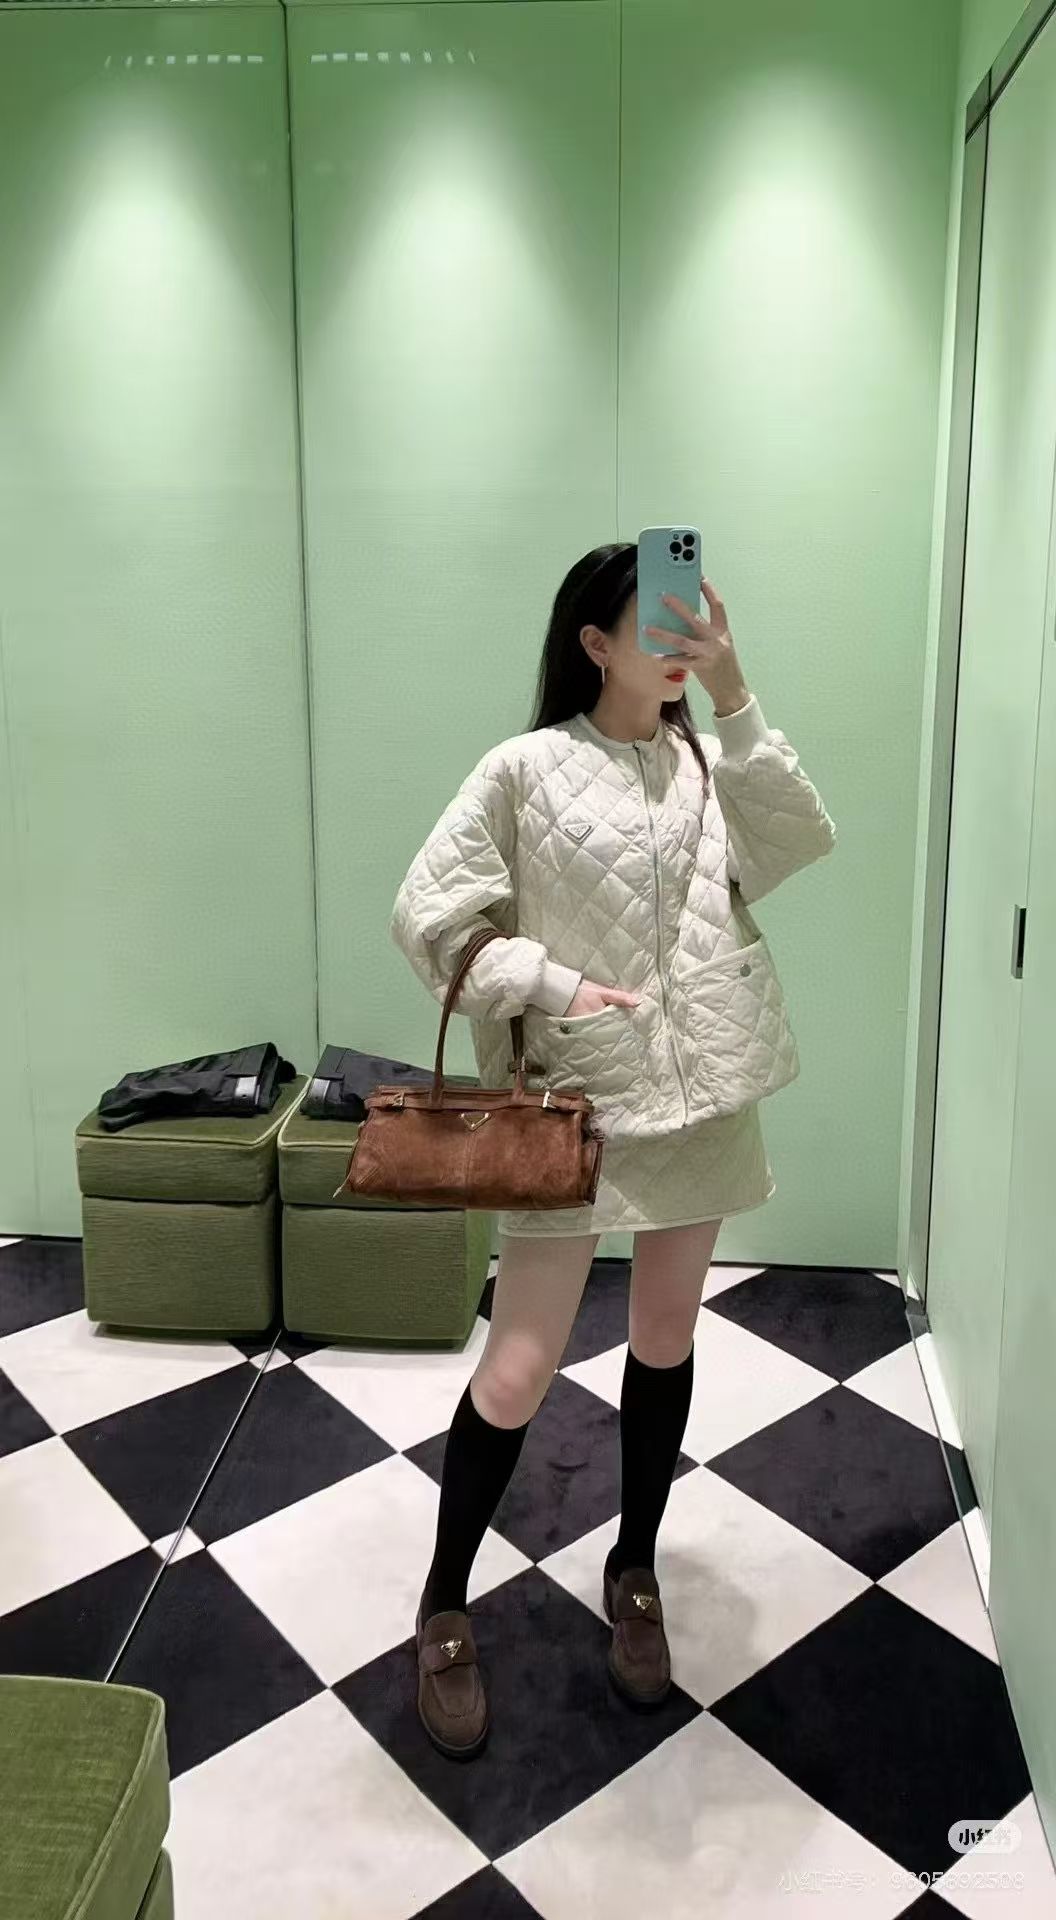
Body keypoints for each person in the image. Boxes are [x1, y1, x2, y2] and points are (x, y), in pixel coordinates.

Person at [390, 542, 836, 1758]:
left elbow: (796, 841)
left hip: (704, 1097)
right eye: (659, 625)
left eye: (697, 621)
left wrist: (735, 692)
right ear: (594, 644)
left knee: (666, 1337)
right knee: (519, 1367)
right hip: (574, 1103)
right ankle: (443, 1601)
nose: (683, 642)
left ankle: (634, 1568)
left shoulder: (710, 759)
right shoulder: (524, 769)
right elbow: (430, 917)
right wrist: (553, 984)